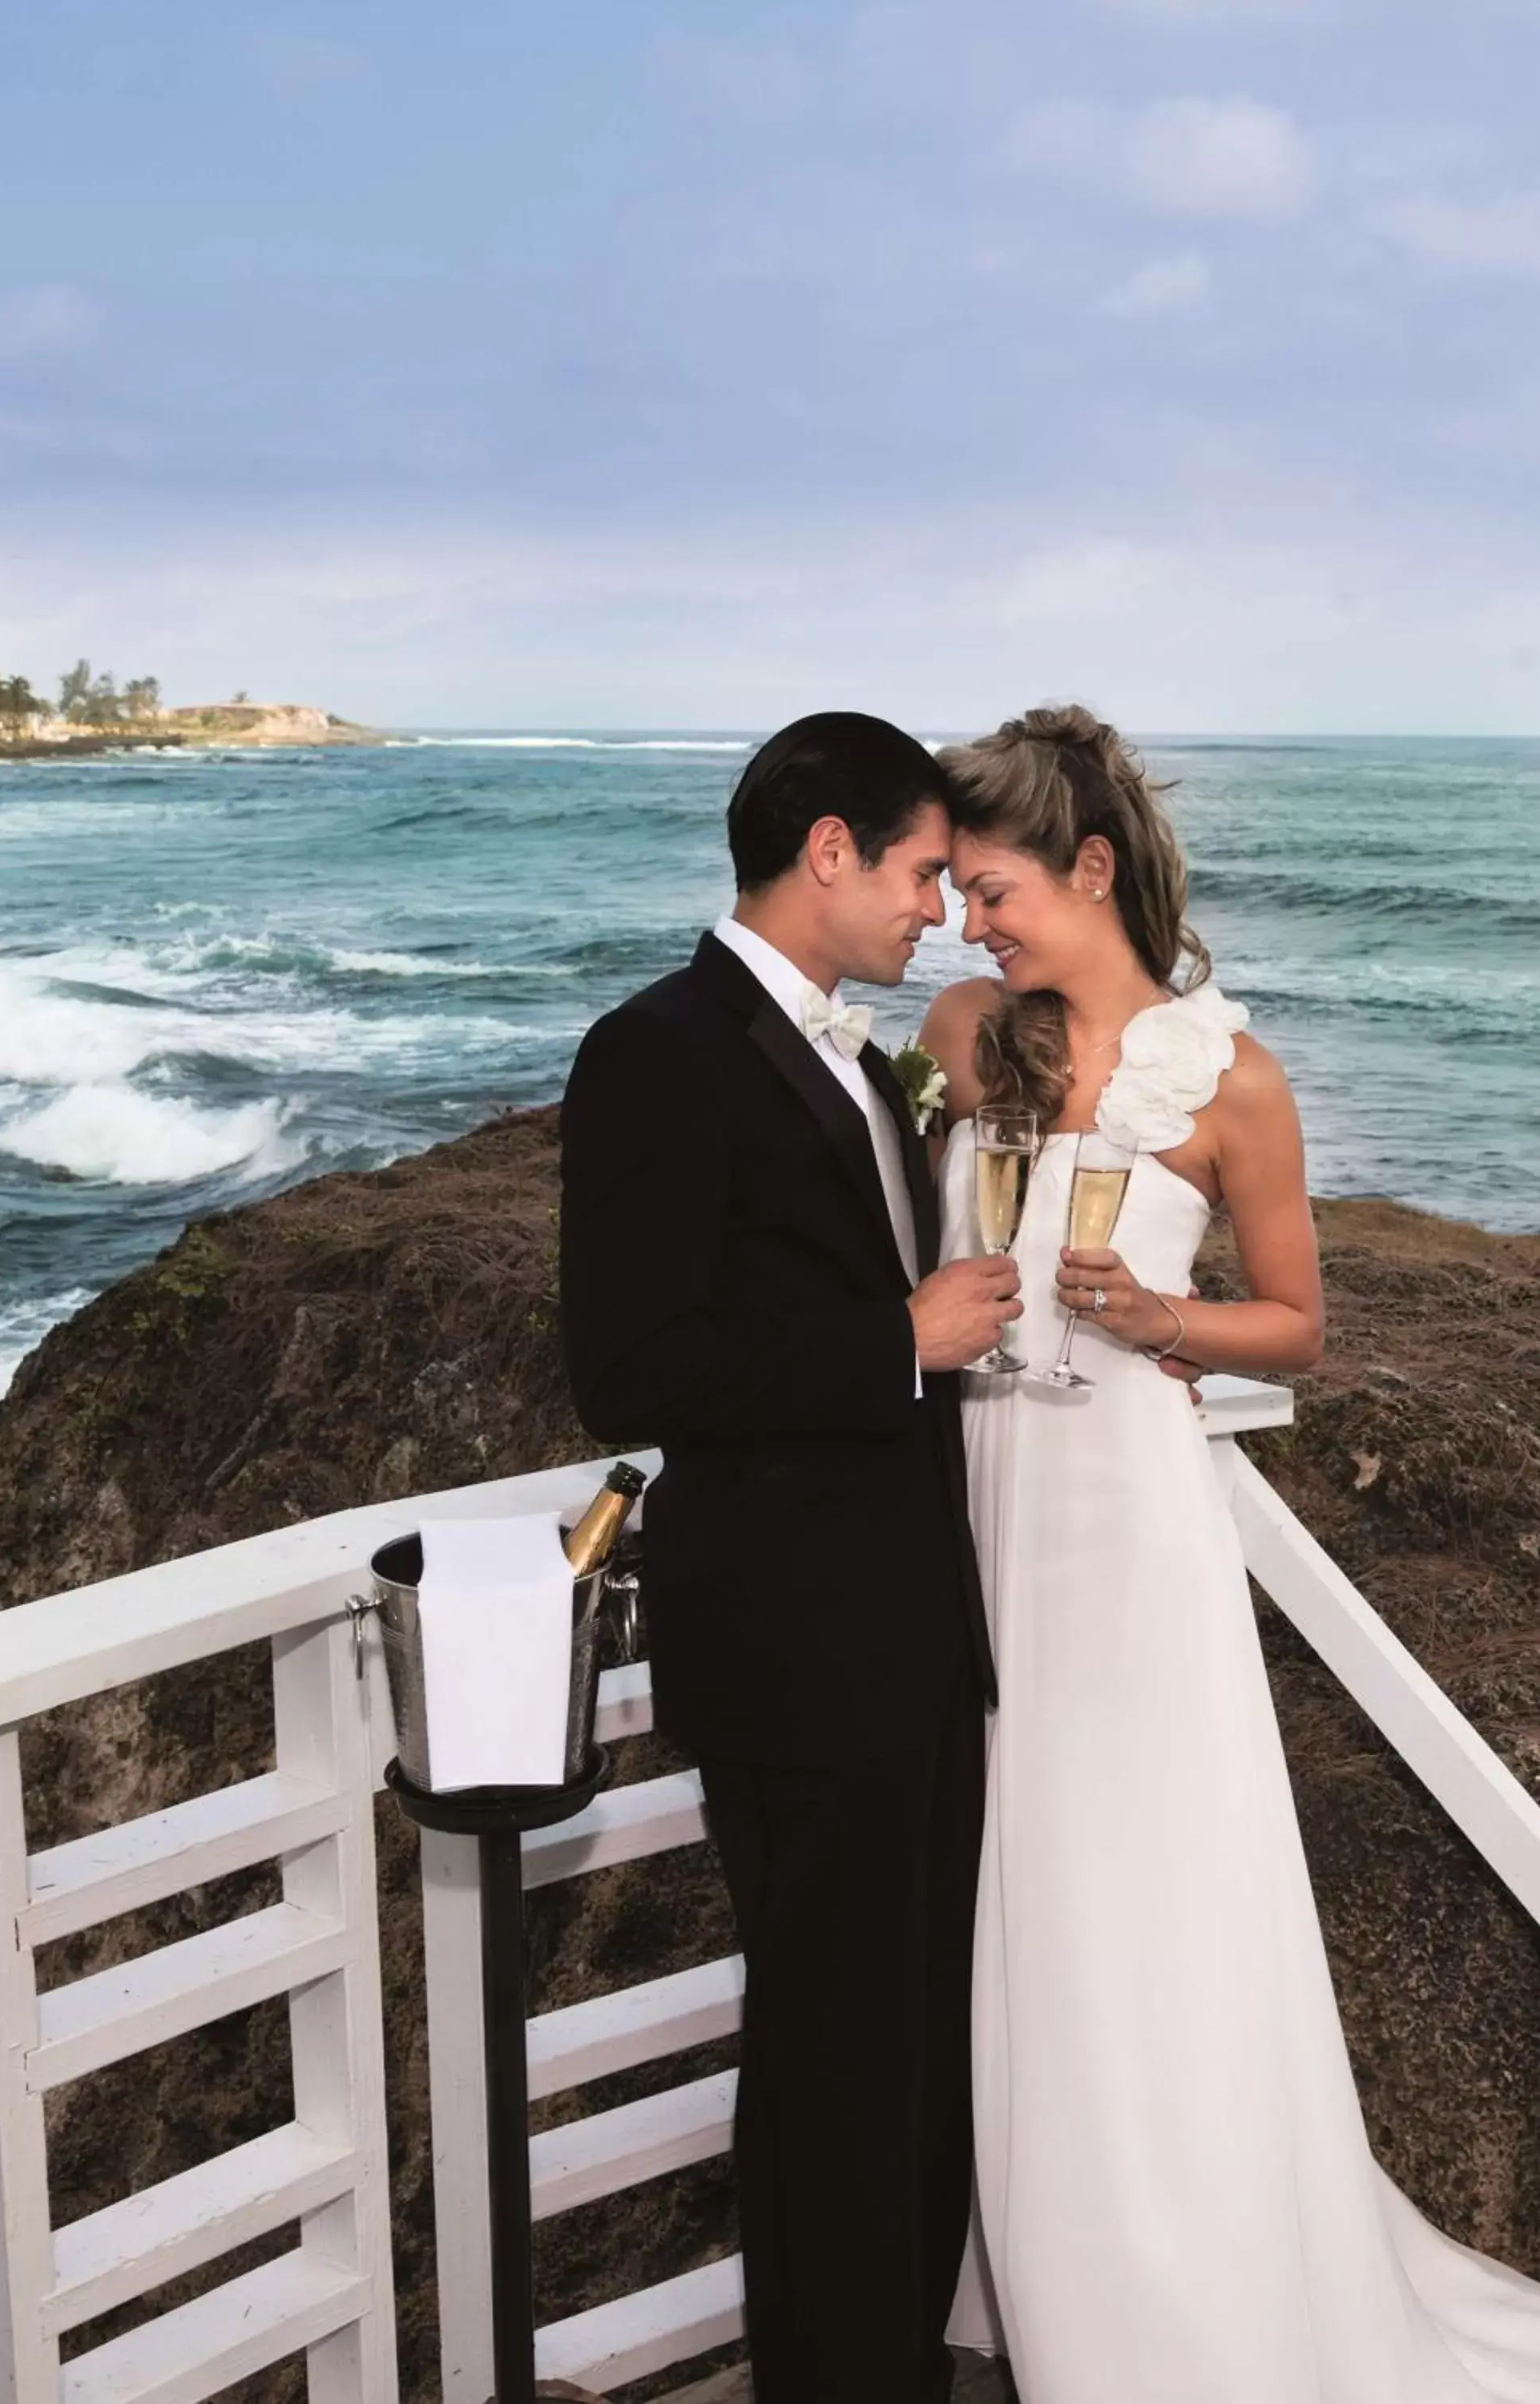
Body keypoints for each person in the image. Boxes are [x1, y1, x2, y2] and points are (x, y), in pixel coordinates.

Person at [923, 703, 1540, 2402]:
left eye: (992, 889)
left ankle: (1179, 2299)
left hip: (1125, 1526)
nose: (966, 922)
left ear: (1090, 864)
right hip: (977, 1509)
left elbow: (1298, 1329)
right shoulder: (972, 1033)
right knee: (1012, 1890)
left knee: (1139, 1890)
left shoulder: (1235, 1081)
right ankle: (1041, 2257)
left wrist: (1162, 1316)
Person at [558, 712, 1022, 2403]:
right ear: (826, 852)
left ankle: (896, 2362)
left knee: (911, 2050)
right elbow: (629, 1365)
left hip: (907, 1641)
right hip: (797, 1646)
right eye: (916, 874)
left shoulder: (850, 1055)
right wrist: (895, 1340)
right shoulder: (659, 1050)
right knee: (832, 2063)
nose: (936, 910)